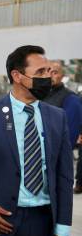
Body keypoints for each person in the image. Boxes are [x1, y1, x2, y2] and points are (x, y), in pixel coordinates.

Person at [0, 45, 73, 236]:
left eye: (49, 71)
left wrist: (63, 227)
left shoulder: (57, 116)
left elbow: (64, 175)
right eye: (40, 72)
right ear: (17, 76)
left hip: (41, 219)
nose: (48, 77)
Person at [43, 60, 82, 194]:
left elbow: (69, 139)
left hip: (56, 162)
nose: (49, 75)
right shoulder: (37, 96)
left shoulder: (71, 99)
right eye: (46, 71)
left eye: (54, 72)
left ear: (62, 76)